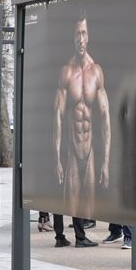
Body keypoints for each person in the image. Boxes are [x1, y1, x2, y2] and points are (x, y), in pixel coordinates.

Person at [54, 12, 111, 220]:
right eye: (77, 33)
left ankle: (82, 239)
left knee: (89, 211)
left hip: (90, 152)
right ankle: (74, 239)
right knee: (72, 207)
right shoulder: (66, 72)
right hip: (72, 151)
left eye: (84, 33)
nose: (80, 39)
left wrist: (106, 162)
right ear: (73, 36)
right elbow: (58, 118)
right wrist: (57, 158)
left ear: (89, 36)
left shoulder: (96, 72)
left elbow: (105, 119)